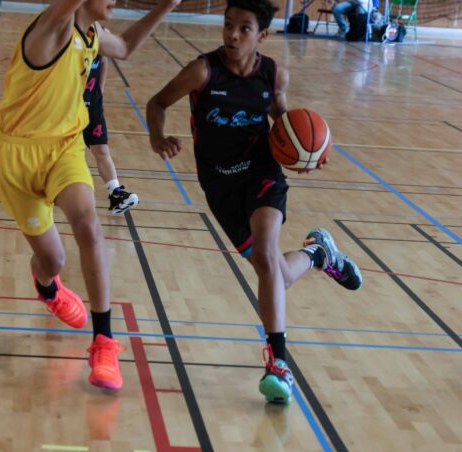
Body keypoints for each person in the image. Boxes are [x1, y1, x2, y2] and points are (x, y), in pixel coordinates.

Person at [146, 0, 363, 404]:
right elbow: (157, 103)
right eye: (228, 25)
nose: (232, 34)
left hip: (262, 173)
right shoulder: (203, 71)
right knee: (275, 273)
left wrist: (305, 154)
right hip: (219, 185)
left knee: (265, 256)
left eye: (244, 28)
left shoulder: (273, 74)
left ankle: (278, 363)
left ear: (261, 35)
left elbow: (284, 123)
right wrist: (158, 137)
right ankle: (318, 254)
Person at [0, 0, 181, 391]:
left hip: (64, 148)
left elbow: (124, 47)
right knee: (53, 260)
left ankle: (104, 342)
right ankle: (48, 286)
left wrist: (168, 4)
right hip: (17, 159)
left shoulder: (92, 34)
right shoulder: (53, 26)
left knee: (88, 226)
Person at [83, 50, 139, 215]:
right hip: (68, 104)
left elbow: (104, 61)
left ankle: (116, 195)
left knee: (101, 149)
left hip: (92, 103)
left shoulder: (99, 38)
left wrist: (100, 89)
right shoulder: (68, 38)